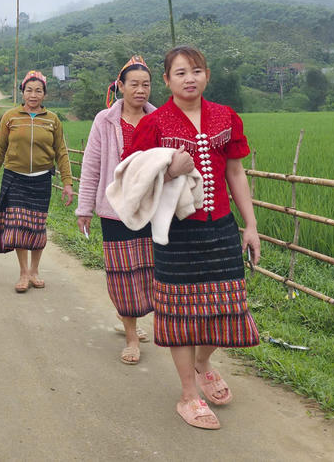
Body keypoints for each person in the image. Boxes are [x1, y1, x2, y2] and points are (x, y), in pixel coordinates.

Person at [124, 46, 261, 431]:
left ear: (207, 75)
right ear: (166, 81)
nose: (190, 78)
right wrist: (168, 171)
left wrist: (249, 226)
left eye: (196, 71)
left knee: (226, 307)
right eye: (180, 72)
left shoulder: (225, 117)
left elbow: (235, 173)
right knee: (181, 314)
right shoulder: (155, 124)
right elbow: (133, 174)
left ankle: (203, 363)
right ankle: (188, 394)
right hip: (176, 233)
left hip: (220, 228)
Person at [75, 56, 158, 365]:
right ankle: (132, 335)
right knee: (122, 273)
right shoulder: (105, 120)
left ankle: (135, 319)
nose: (140, 90)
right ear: (120, 86)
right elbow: (92, 165)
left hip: (150, 207)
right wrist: (85, 207)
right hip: (114, 210)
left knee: (150, 269)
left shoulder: (159, 118)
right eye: (134, 84)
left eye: (146, 85)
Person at [0, 71, 74, 293]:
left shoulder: (52, 120)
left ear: (44, 94)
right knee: (18, 227)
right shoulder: (11, 117)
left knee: (36, 227)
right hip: (14, 178)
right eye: (29, 90)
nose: (33, 95)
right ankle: (24, 272)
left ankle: (35, 270)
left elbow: (61, 152)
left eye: (38, 91)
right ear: (22, 92)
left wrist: (67, 182)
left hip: (41, 180)